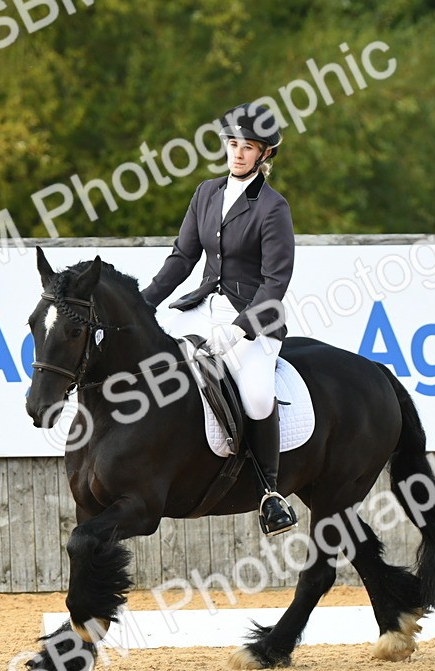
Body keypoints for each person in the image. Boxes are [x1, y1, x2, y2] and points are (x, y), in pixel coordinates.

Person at [141, 102, 297, 537]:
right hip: (201, 309)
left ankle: (270, 493)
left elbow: (275, 283)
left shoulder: (273, 208)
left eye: (248, 147)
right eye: (233, 145)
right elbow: (183, 257)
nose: (238, 154)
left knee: (258, 395)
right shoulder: (206, 193)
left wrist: (240, 328)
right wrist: (144, 301)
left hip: (253, 322)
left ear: (265, 155)